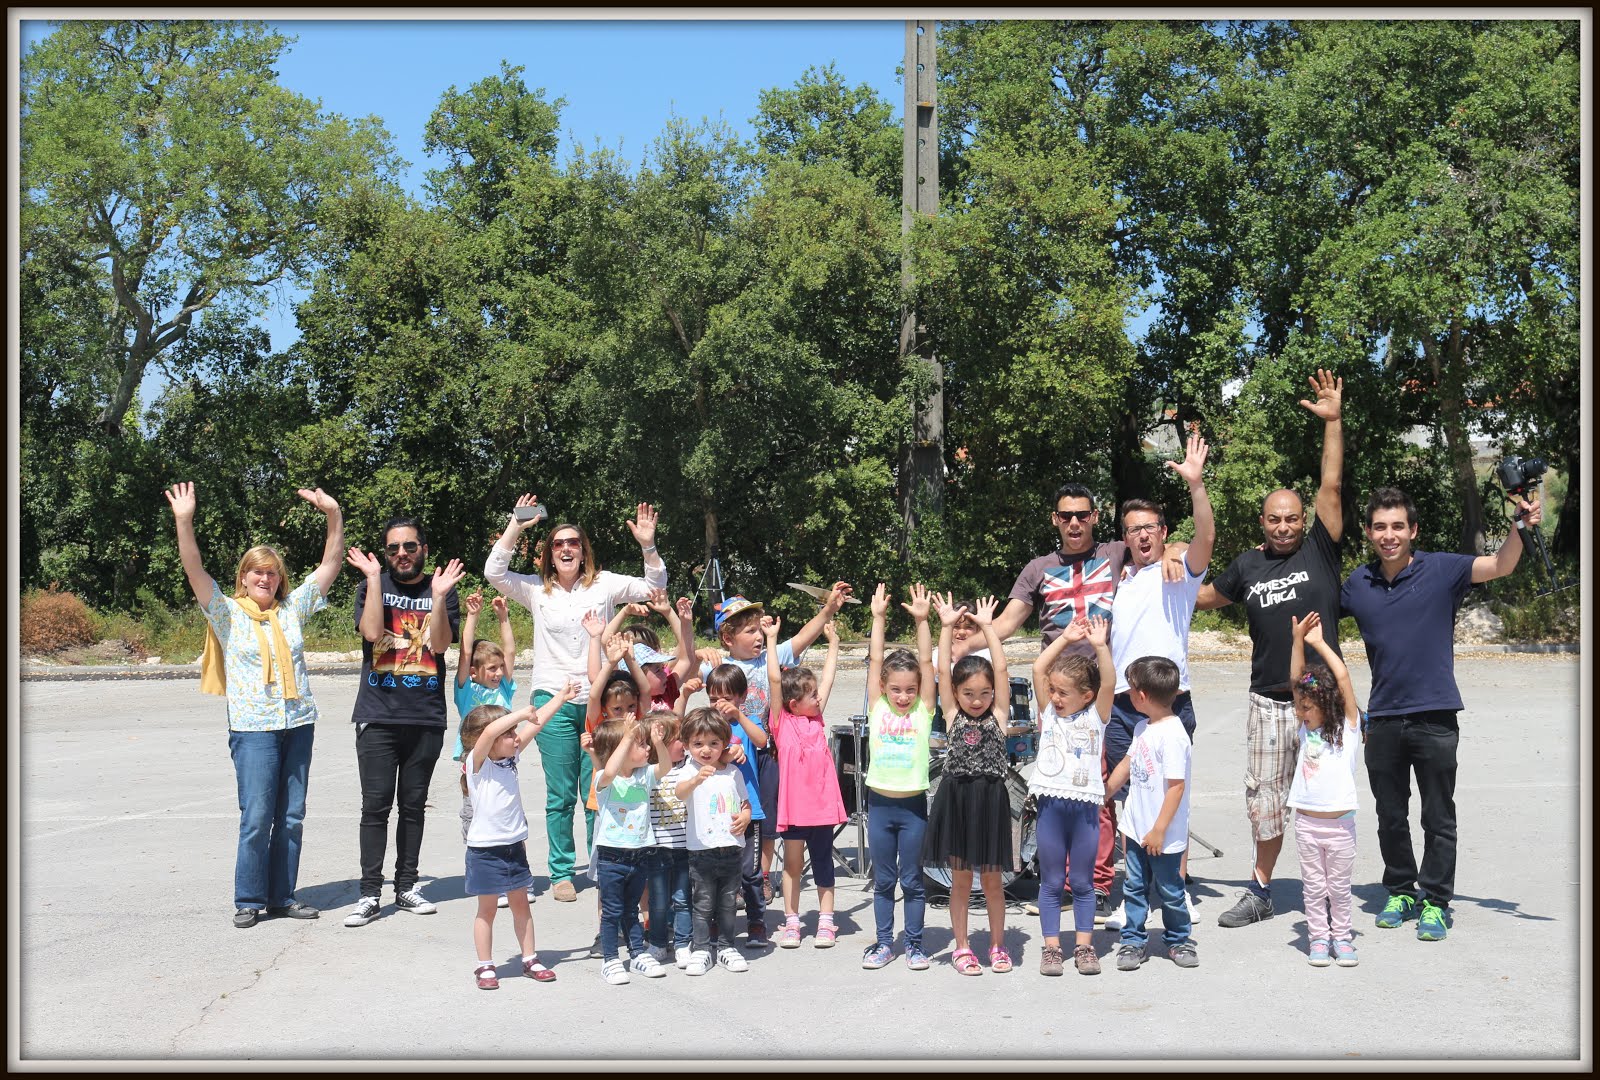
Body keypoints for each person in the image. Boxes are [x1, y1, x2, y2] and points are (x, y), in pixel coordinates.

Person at [1340, 486, 1541, 942]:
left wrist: (1519, 527)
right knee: (1390, 814)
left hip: (1435, 715)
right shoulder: (1358, 584)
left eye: (1397, 527)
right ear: (1369, 532)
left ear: (1412, 530)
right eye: (1379, 527)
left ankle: (1435, 901)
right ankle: (1400, 890)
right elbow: (1317, 615)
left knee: (1437, 815)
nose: (1388, 535)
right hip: (1384, 719)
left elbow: (1501, 565)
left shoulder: (1443, 570)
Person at [993, 481, 1183, 923]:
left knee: (1099, 790)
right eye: (1065, 516)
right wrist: (958, 642)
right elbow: (1006, 623)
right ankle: (1058, 878)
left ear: (1096, 517)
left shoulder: (1116, 553)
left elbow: (1162, 540)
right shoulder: (1037, 568)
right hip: (1057, 691)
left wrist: (1175, 549)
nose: (1074, 523)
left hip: (1105, 689)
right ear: (1055, 520)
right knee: (1060, 786)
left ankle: (1098, 883)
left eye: (1082, 515)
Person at [1197, 368, 1346, 929]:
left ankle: (1327, 890)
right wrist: (1166, 567)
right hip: (1268, 701)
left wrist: (1332, 423)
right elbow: (1201, 596)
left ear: (1303, 520)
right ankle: (1260, 891)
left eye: (1292, 518)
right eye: (1274, 519)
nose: (1284, 526)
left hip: (1321, 697)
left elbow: (1330, 486)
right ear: (1261, 521)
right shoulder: (1248, 564)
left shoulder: (1321, 551)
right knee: (1265, 800)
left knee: (1324, 798)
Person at [166, 481, 343, 929]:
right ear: (243, 577)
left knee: (292, 816)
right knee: (258, 815)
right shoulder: (225, 612)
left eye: (272, 573)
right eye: (256, 572)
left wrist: (333, 515)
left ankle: (282, 896)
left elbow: (330, 564)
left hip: (298, 721)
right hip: (253, 729)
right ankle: (248, 899)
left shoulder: (292, 610)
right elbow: (194, 570)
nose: (265, 579)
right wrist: (184, 521)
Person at [484, 493, 666, 904]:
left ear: (584, 551)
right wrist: (518, 523)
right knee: (560, 793)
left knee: (598, 787)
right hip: (551, 698)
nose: (566, 548)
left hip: (598, 699)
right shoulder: (535, 590)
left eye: (573, 543)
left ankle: (601, 863)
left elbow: (655, 587)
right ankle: (562, 871)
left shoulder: (603, 584)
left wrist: (648, 545)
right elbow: (494, 571)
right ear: (549, 554)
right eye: (558, 544)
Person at [697, 583, 853, 946]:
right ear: (727, 636)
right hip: (731, 749)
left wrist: (828, 610)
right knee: (734, 815)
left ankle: (762, 875)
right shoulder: (719, 666)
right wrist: (695, 646)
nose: (756, 635)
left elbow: (801, 639)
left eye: (758, 629)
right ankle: (736, 881)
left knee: (766, 819)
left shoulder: (774, 654)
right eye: (749, 630)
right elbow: (681, 663)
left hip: (768, 748)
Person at [1102, 432, 1214, 928]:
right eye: (1133, 529)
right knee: (1130, 801)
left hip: (1169, 704)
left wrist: (1196, 486)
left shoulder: (1180, 571)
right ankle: (1136, 895)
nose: (1142, 535)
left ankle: (1177, 892)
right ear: (1125, 537)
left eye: (1150, 527)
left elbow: (1205, 539)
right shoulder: (1122, 581)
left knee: (1175, 794)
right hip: (1125, 706)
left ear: (1164, 531)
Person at [343, 517, 463, 928]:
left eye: (409, 547)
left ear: (423, 549)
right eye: (393, 548)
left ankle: (407, 885)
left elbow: (441, 645)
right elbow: (373, 632)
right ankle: (369, 893)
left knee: (412, 806)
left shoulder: (442, 587)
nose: (402, 555)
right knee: (375, 807)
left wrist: (440, 596)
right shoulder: (369, 586)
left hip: (425, 716)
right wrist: (374, 579)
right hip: (377, 715)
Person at [919, 595, 1015, 976]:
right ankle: (961, 947)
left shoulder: (1000, 714)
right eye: (969, 694)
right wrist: (944, 627)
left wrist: (989, 628)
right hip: (957, 798)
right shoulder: (952, 713)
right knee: (960, 880)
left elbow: (1003, 669)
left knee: (992, 881)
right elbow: (942, 667)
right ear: (956, 694)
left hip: (991, 799)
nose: (977, 700)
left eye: (984, 693)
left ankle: (997, 945)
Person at [460, 690, 574, 989]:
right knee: (486, 910)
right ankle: (485, 966)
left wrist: (561, 698)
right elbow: (490, 730)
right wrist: (520, 714)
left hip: (513, 848)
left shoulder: (509, 757)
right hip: (485, 851)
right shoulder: (477, 763)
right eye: (509, 733)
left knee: (521, 906)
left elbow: (537, 725)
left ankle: (530, 958)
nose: (515, 737)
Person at [1028, 614, 1116, 976]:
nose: (1055, 697)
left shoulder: (1097, 717)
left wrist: (1099, 646)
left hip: (1084, 814)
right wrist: (1064, 639)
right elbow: (1038, 668)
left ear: (1087, 696)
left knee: (1082, 882)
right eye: (1053, 690)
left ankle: (1083, 946)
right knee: (1050, 882)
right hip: (1050, 809)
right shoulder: (1048, 714)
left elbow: (1109, 679)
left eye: (1064, 693)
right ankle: (1051, 949)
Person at [859, 582, 937, 963]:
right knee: (884, 881)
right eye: (896, 689)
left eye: (910, 690)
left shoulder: (923, 711)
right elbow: (875, 661)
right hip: (880, 806)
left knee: (913, 880)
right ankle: (885, 942)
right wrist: (878, 618)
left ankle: (915, 945)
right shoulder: (878, 708)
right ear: (884, 689)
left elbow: (926, 663)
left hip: (912, 808)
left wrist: (922, 621)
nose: (903, 696)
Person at [1104, 656, 1197, 971]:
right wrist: (1105, 791)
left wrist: (1158, 830)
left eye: (1130, 689)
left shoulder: (1173, 735)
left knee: (1170, 890)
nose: (1128, 694)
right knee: (1133, 886)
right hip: (1135, 827)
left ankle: (1178, 939)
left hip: (1162, 833)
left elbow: (1176, 789)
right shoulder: (1143, 727)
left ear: (1141, 695)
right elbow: (1128, 764)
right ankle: (1132, 940)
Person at [764, 613, 845, 958]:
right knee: (793, 866)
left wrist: (834, 645)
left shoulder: (816, 719)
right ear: (794, 704)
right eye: (811, 696)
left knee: (825, 865)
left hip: (822, 809)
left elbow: (828, 679)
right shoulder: (782, 722)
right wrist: (771, 640)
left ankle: (826, 920)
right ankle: (793, 920)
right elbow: (773, 680)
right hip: (795, 811)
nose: (818, 698)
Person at [1285, 612, 1363, 968]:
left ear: (1325, 703)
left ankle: (1342, 938)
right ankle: (1318, 938)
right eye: (1299, 706)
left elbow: (1343, 677)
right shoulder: (1306, 731)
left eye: (1307, 706)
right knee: (1314, 889)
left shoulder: (1347, 731)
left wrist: (1319, 642)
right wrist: (1298, 640)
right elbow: (1295, 678)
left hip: (1340, 825)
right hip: (1307, 824)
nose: (1301, 712)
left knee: (1339, 890)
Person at [590, 714, 674, 984]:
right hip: (612, 857)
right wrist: (627, 736)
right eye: (640, 744)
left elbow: (666, 767)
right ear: (622, 749)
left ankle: (637, 953)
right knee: (612, 910)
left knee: (631, 909)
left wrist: (659, 744)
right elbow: (612, 771)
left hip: (640, 854)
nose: (646, 748)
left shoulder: (644, 776)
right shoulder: (605, 779)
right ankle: (611, 959)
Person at [453, 591, 523, 909]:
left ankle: (510, 880)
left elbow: (510, 651)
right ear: (475, 671)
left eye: (499, 668)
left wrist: (503, 617)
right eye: (491, 668)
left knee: (504, 813)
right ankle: (483, 873)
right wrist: (472, 616)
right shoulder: (467, 691)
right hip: (475, 762)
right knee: (475, 813)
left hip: (505, 761)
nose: (497, 672)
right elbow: (465, 652)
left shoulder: (505, 688)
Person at [675, 707, 755, 976]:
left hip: (731, 849)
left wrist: (745, 817)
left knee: (729, 902)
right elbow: (679, 793)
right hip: (701, 851)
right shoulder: (688, 771)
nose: (706, 750)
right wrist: (696, 778)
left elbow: (745, 804)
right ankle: (700, 949)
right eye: (697, 744)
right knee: (703, 903)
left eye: (713, 743)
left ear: (725, 743)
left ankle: (726, 947)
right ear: (686, 745)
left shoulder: (733, 772)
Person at [645, 713, 695, 969]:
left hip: (683, 847)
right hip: (656, 849)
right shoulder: (649, 772)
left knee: (683, 898)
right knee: (658, 900)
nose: (684, 744)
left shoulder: (689, 767)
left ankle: (683, 943)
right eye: (677, 739)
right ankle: (657, 942)